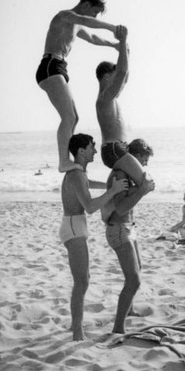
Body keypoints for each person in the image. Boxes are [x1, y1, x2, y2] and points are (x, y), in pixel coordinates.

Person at [36, 0, 121, 173]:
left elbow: (92, 37)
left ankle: (70, 159)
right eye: (95, 12)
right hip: (50, 65)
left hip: (59, 67)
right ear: (86, 5)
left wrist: (113, 45)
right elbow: (89, 22)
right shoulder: (65, 16)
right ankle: (63, 162)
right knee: (69, 117)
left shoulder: (76, 24)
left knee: (74, 117)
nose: (94, 16)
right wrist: (113, 28)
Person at [59, 133, 128, 341]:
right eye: (92, 147)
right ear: (81, 151)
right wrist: (113, 190)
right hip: (73, 227)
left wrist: (109, 186)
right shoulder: (76, 174)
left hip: (74, 226)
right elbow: (89, 207)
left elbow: (87, 183)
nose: (96, 151)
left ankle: (75, 326)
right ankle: (77, 332)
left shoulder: (79, 173)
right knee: (82, 282)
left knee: (83, 280)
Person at [104, 138, 155, 334]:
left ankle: (130, 310)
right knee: (133, 280)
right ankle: (118, 329)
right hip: (118, 229)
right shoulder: (119, 174)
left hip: (128, 228)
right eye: (144, 159)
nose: (145, 164)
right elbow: (121, 206)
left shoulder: (126, 174)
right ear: (135, 156)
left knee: (137, 270)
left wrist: (140, 189)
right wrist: (141, 190)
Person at [95, 25, 149, 188]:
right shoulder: (105, 98)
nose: (118, 80)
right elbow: (121, 73)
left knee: (131, 186)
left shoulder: (111, 98)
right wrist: (123, 41)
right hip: (113, 148)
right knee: (145, 183)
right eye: (113, 76)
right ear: (106, 77)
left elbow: (124, 77)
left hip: (118, 149)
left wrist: (126, 51)